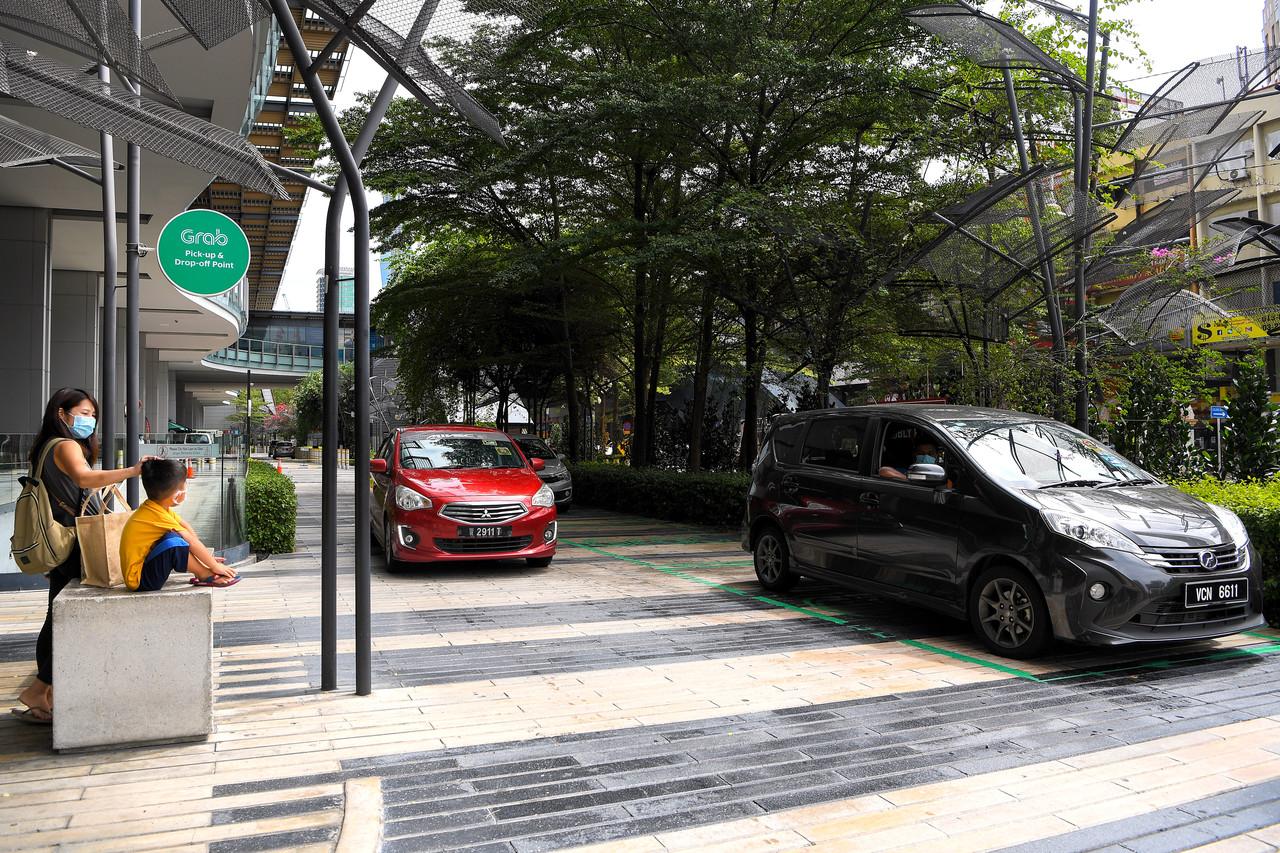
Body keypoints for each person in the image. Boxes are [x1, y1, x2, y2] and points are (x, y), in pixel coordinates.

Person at [12, 388, 152, 725]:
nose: (89, 420)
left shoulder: (43, 446)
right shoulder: (65, 445)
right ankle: (40, 688)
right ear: (62, 413)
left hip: (57, 539)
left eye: (93, 415)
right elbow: (85, 478)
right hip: (74, 541)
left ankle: (44, 696)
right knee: (77, 619)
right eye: (84, 413)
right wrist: (132, 472)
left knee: (55, 616)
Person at [120, 459, 239, 592]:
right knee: (174, 543)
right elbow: (189, 540)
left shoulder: (156, 508)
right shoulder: (155, 515)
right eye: (184, 485)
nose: (186, 488)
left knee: (176, 537)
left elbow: (186, 528)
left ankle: (203, 571)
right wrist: (214, 566)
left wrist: (207, 559)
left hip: (144, 571)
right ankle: (204, 574)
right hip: (141, 580)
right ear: (175, 495)